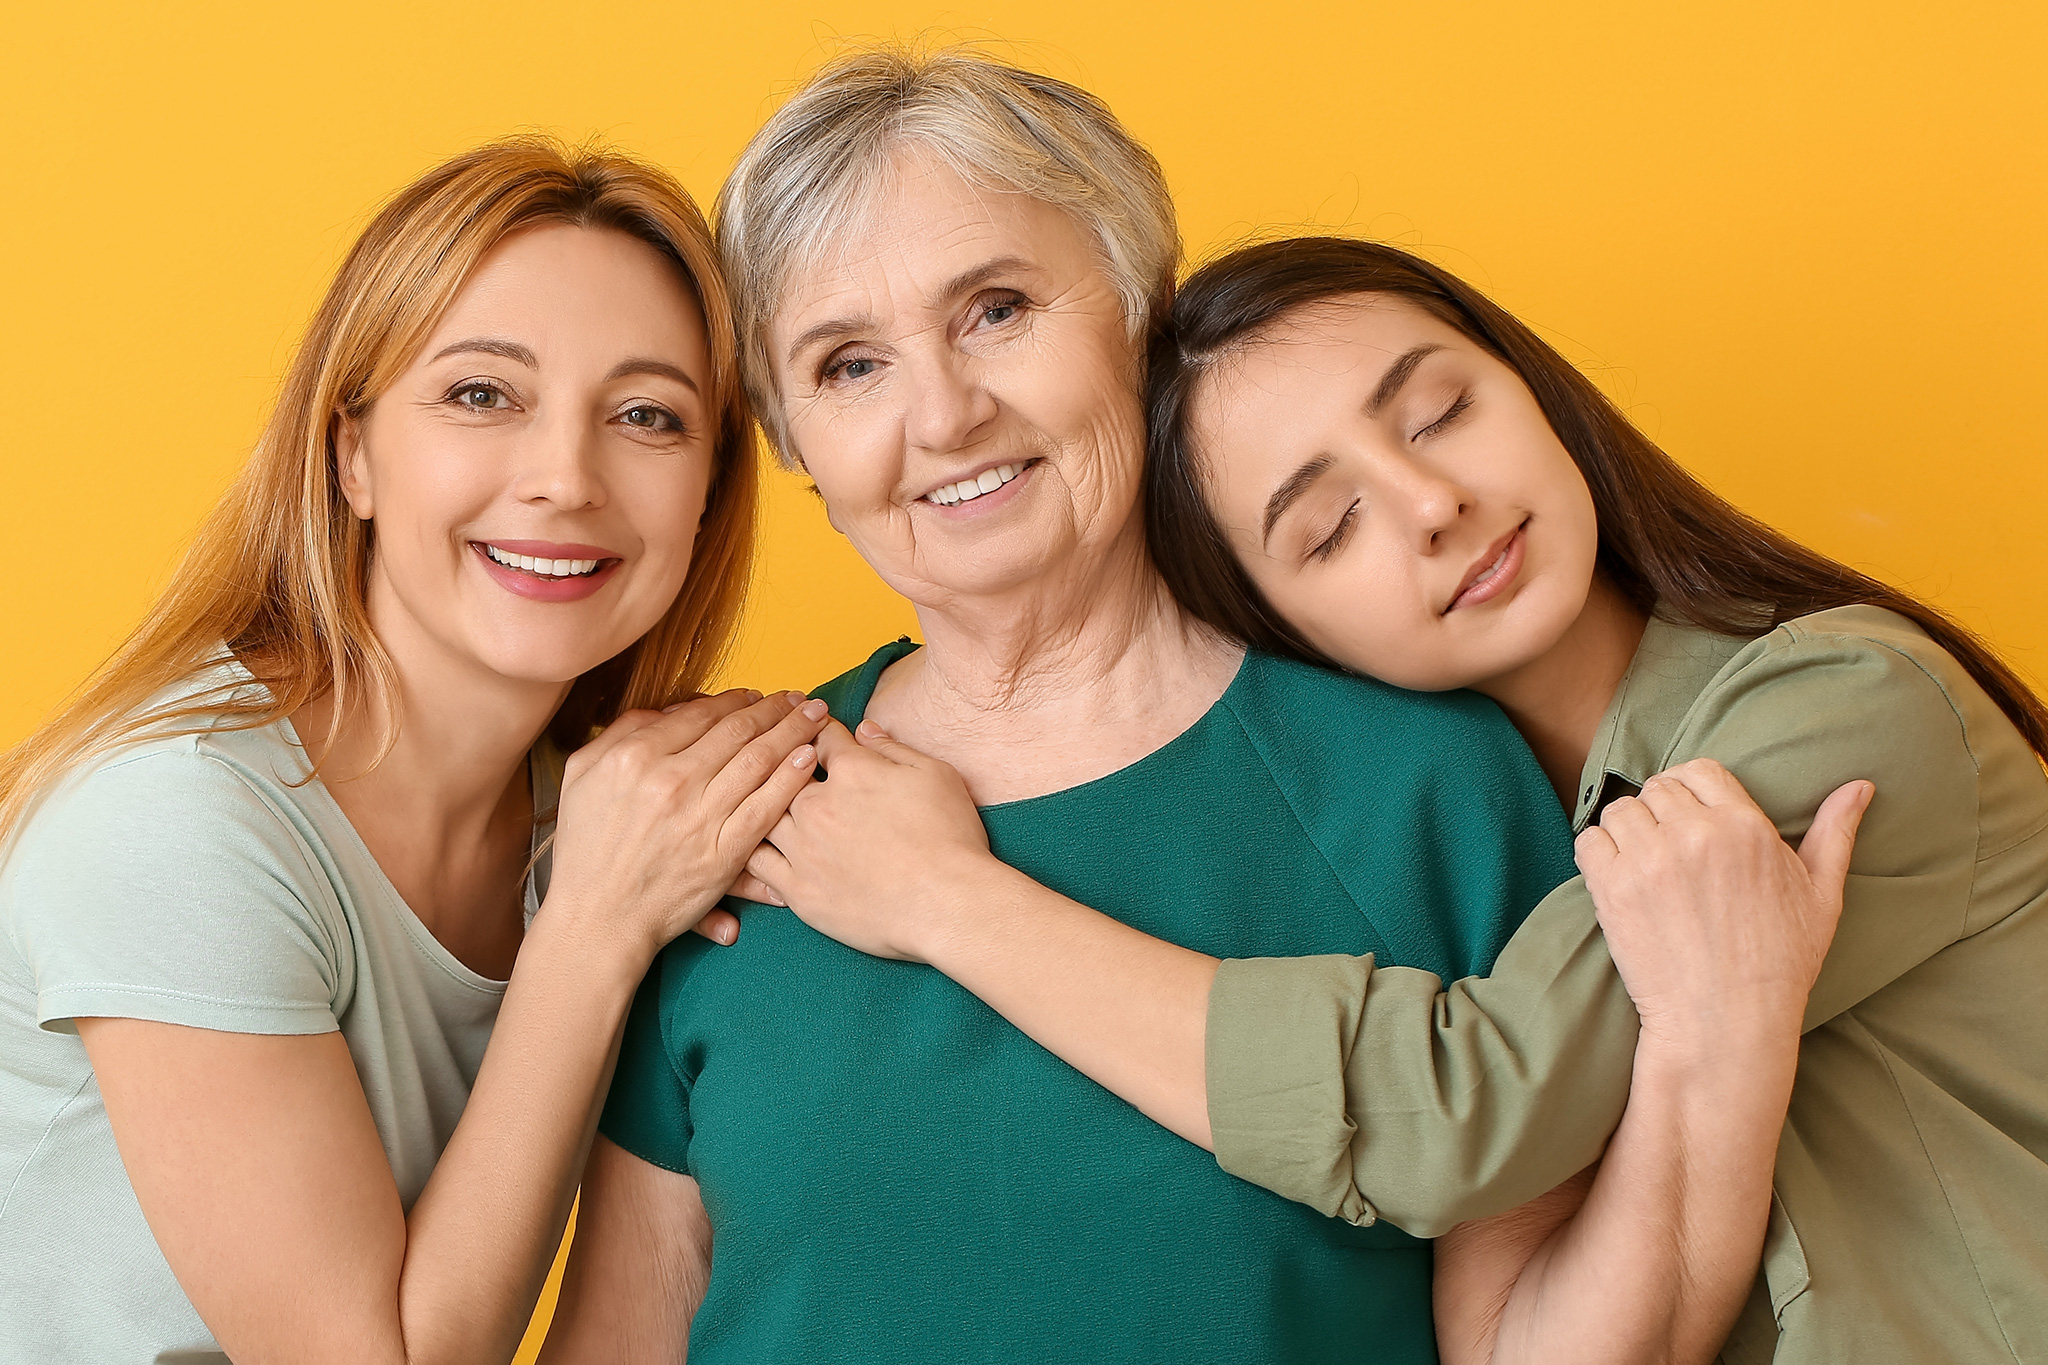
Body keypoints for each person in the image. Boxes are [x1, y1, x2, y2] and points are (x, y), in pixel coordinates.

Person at [540, 48, 1858, 1365]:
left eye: (997, 309)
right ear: (791, 451)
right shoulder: (714, 811)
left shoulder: (1423, 785)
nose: (942, 413)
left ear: (1140, 321)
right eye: (847, 368)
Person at [750, 233, 2048, 1363]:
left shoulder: (1840, 705)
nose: (1435, 503)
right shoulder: (1450, 838)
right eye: (1327, 528)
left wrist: (949, 903)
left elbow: (1474, 1108)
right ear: (1279, 629)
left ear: (1533, 387)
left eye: (1439, 413)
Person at [0, 138, 830, 1364]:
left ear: (707, 493)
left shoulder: (606, 816)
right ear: (353, 456)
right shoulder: (171, 819)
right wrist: (592, 929)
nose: (564, 478)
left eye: (646, 416)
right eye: (482, 394)